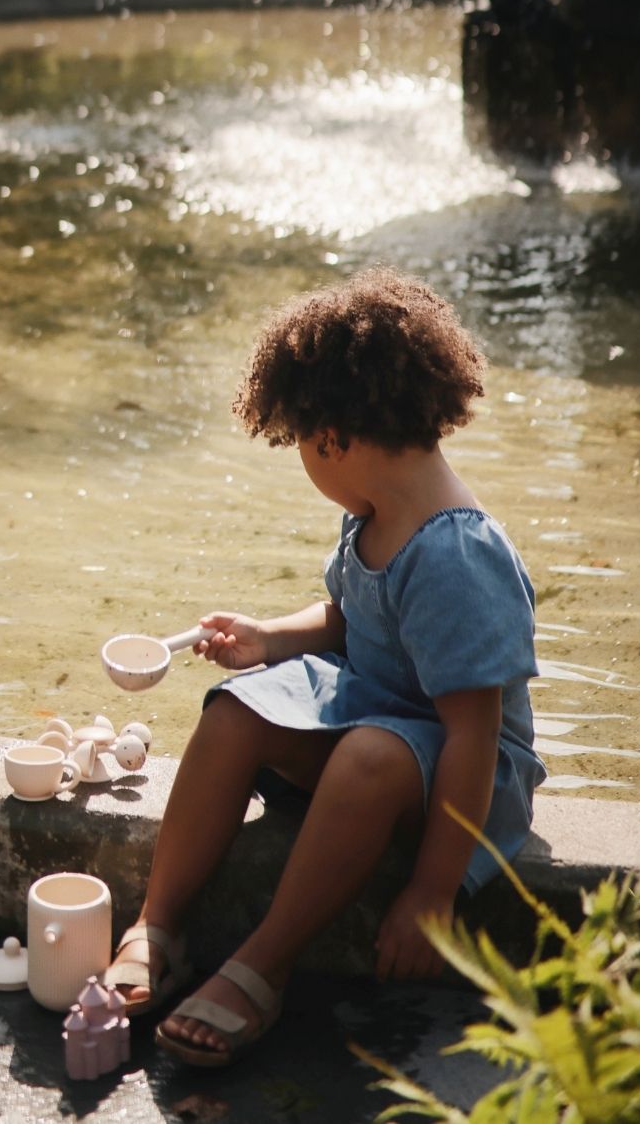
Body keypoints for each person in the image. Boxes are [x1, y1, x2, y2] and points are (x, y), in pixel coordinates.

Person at [103, 266, 546, 1067]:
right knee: (235, 708)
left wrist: (433, 892)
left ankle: (261, 965)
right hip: (370, 713)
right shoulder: (373, 515)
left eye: (300, 443)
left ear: (331, 438)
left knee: (370, 756)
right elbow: (347, 619)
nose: (305, 461)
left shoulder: (455, 555)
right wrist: (268, 639)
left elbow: (475, 736)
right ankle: (155, 924)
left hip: (457, 771)